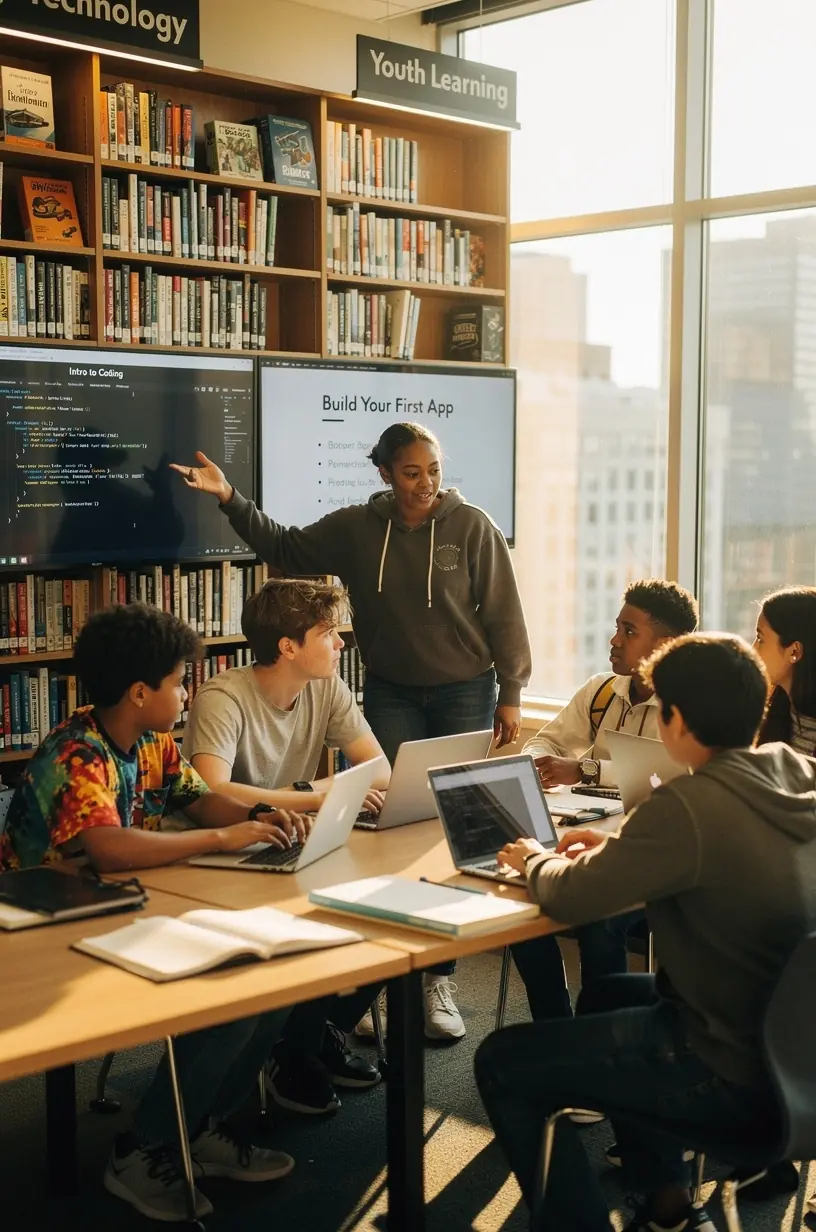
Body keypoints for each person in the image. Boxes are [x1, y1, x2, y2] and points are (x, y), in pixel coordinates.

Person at [171, 421, 533, 1041]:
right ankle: (379, 970)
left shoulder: (472, 527)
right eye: (412, 472)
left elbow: (504, 611)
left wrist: (513, 692)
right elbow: (284, 549)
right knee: (389, 821)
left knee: (443, 825)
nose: (426, 484)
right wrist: (231, 499)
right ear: (386, 474)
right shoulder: (360, 528)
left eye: (434, 470)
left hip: (465, 688)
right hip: (391, 688)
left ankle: (437, 975)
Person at [475, 633, 816, 1232]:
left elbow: (570, 894)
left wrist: (532, 856)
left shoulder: (687, 804)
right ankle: (668, 1207)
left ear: (676, 719)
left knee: (502, 1061)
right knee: (608, 996)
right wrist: (622, 845)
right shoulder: (795, 772)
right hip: (797, 1055)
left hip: (726, 1071)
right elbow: (718, 847)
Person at [0, 604, 306, 1223]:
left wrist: (254, 820)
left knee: (271, 983)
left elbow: (199, 803)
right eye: (178, 681)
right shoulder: (77, 753)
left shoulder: (151, 740)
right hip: (45, 933)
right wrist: (224, 841)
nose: (188, 691)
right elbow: (109, 849)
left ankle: (196, 1127)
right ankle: (143, 1150)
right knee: (226, 995)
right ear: (141, 693)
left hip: (120, 908)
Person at [183, 577, 390, 1115]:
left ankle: (307, 1039)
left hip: (289, 848)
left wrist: (307, 800)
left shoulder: (326, 686)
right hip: (218, 859)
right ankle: (294, 1050)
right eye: (328, 634)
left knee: (390, 920)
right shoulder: (223, 697)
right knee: (326, 924)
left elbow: (380, 771)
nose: (341, 644)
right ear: (288, 647)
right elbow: (212, 792)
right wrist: (311, 795)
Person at [510, 580, 699, 1031]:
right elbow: (542, 742)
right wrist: (538, 764)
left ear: (666, 645)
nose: (614, 640)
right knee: (520, 901)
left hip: (645, 852)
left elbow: (663, 780)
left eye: (629, 632)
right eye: (618, 627)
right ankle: (555, 1027)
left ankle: (600, 1034)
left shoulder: (684, 710)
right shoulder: (600, 692)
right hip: (582, 835)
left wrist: (589, 770)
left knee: (600, 923)